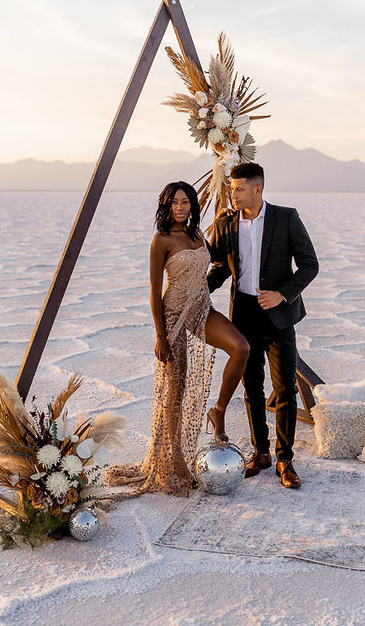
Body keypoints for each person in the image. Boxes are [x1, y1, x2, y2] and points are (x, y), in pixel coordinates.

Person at [106, 181, 249, 495]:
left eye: (185, 202)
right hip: (173, 316)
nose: (181, 208)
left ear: (193, 205)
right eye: (175, 203)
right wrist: (161, 335)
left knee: (241, 347)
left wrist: (227, 216)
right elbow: (154, 292)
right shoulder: (161, 240)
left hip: (202, 309)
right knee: (176, 390)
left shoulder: (198, 235)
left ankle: (218, 410)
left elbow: (213, 259)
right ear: (166, 206)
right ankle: (175, 462)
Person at [208, 163, 319, 489]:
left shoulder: (286, 218)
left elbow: (310, 264)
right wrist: (195, 289)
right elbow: (218, 267)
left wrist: (282, 294)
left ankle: (285, 459)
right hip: (242, 314)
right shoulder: (226, 223)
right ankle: (261, 453)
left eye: (239, 189)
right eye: (232, 188)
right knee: (252, 387)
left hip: (278, 314)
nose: (234, 194)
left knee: (284, 389)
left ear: (258, 189)